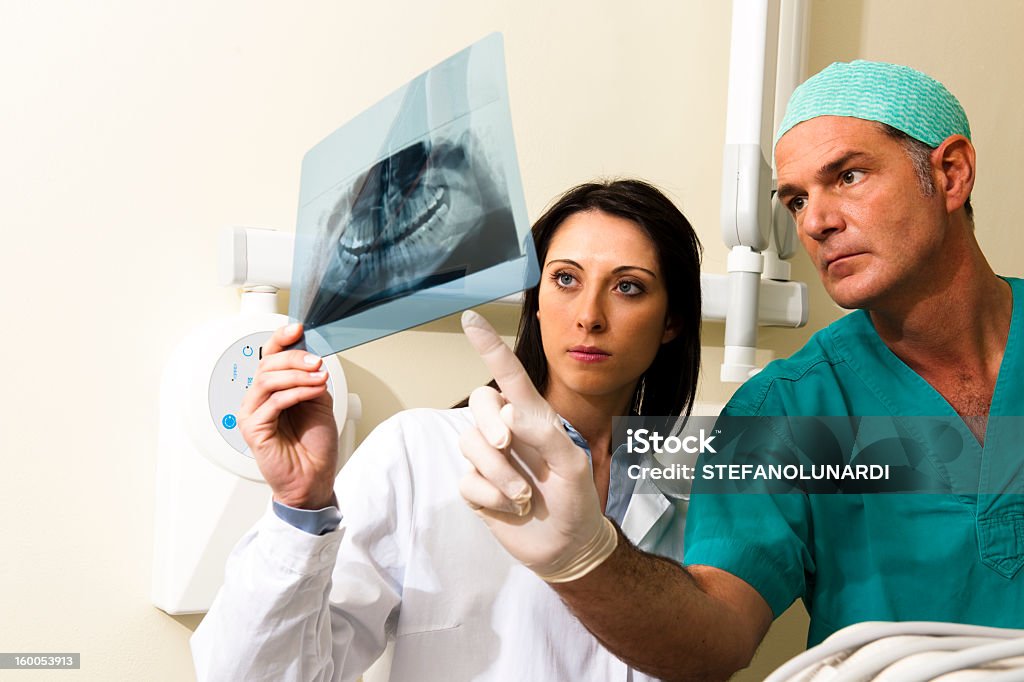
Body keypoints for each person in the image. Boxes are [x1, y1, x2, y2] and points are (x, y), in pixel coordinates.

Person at [458, 60, 1024, 681]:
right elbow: (715, 636)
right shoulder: (781, 413)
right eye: (797, 199)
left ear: (950, 174)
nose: (814, 222)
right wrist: (586, 556)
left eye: (849, 176)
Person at [190, 179, 704, 681]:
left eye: (628, 287)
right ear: (538, 299)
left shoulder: (694, 501)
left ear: (671, 322)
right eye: (566, 279)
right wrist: (299, 506)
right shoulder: (419, 454)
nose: (589, 316)